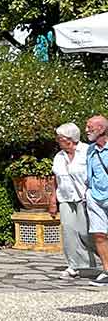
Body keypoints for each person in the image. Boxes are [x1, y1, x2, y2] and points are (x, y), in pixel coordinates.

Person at [52, 123, 93, 280]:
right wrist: (52, 200)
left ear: (69, 139)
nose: (57, 141)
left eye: (60, 138)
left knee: (86, 232)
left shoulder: (88, 151)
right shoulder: (59, 156)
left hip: (85, 198)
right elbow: (56, 179)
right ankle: (73, 266)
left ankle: (101, 260)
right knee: (68, 231)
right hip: (65, 198)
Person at [83, 114, 108, 284]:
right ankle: (107, 270)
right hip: (96, 197)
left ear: (101, 129)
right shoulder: (90, 149)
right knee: (99, 234)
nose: (86, 130)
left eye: (90, 127)